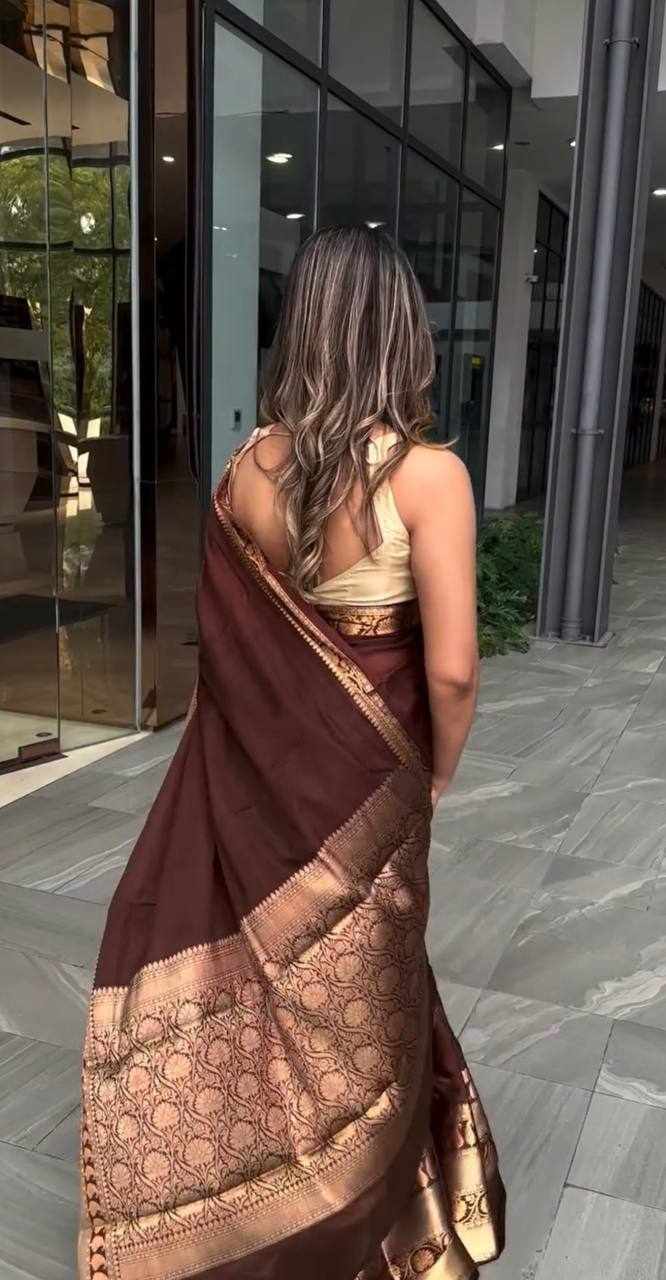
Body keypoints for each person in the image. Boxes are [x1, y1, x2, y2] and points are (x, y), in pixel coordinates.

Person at [79, 226, 505, 1280]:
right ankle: (365, 1235)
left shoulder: (242, 473)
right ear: (402, 335)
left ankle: (256, 1197)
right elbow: (452, 672)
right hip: (372, 797)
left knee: (277, 997)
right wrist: (434, 776)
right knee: (367, 1005)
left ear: (301, 329)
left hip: (263, 793)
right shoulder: (429, 477)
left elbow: (229, 664)